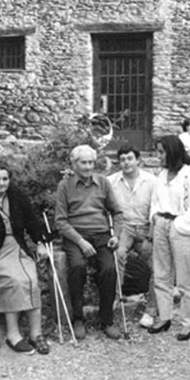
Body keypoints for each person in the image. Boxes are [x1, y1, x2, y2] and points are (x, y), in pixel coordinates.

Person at [0, 161, 50, 355]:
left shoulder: (18, 197)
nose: (1, 183)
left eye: (5, 179)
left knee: (30, 280)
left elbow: (32, 222)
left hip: (17, 249)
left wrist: (40, 242)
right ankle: (13, 334)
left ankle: (35, 333)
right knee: (13, 280)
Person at [55, 144, 124, 340]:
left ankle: (107, 319)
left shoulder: (102, 182)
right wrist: (80, 241)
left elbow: (117, 212)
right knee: (76, 267)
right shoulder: (65, 186)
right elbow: (60, 221)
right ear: (74, 164)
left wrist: (116, 235)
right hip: (76, 236)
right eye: (83, 162)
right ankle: (78, 319)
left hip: (101, 234)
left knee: (109, 269)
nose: (87, 167)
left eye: (91, 162)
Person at [148, 135, 190, 340]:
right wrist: (155, 217)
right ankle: (164, 316)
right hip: (161, 224)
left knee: (184, 278)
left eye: (161, 152)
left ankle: (188, 322)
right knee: (162, 274)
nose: (158, 156)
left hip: (181, 227)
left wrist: (178, 225)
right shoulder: (162, 175)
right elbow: (155, 200)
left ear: (172, 152)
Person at [106, 145, 158, 329]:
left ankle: (151, 310)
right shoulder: (111, 181)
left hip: (146, 226)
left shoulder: (152, 181)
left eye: (130, 158)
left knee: (158, 265)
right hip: (124, 227)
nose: (126, 163)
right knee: (117, 255)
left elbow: (156, 211)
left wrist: (150, 238)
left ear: (138, 160)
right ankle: (114, 300)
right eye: (122, 159)